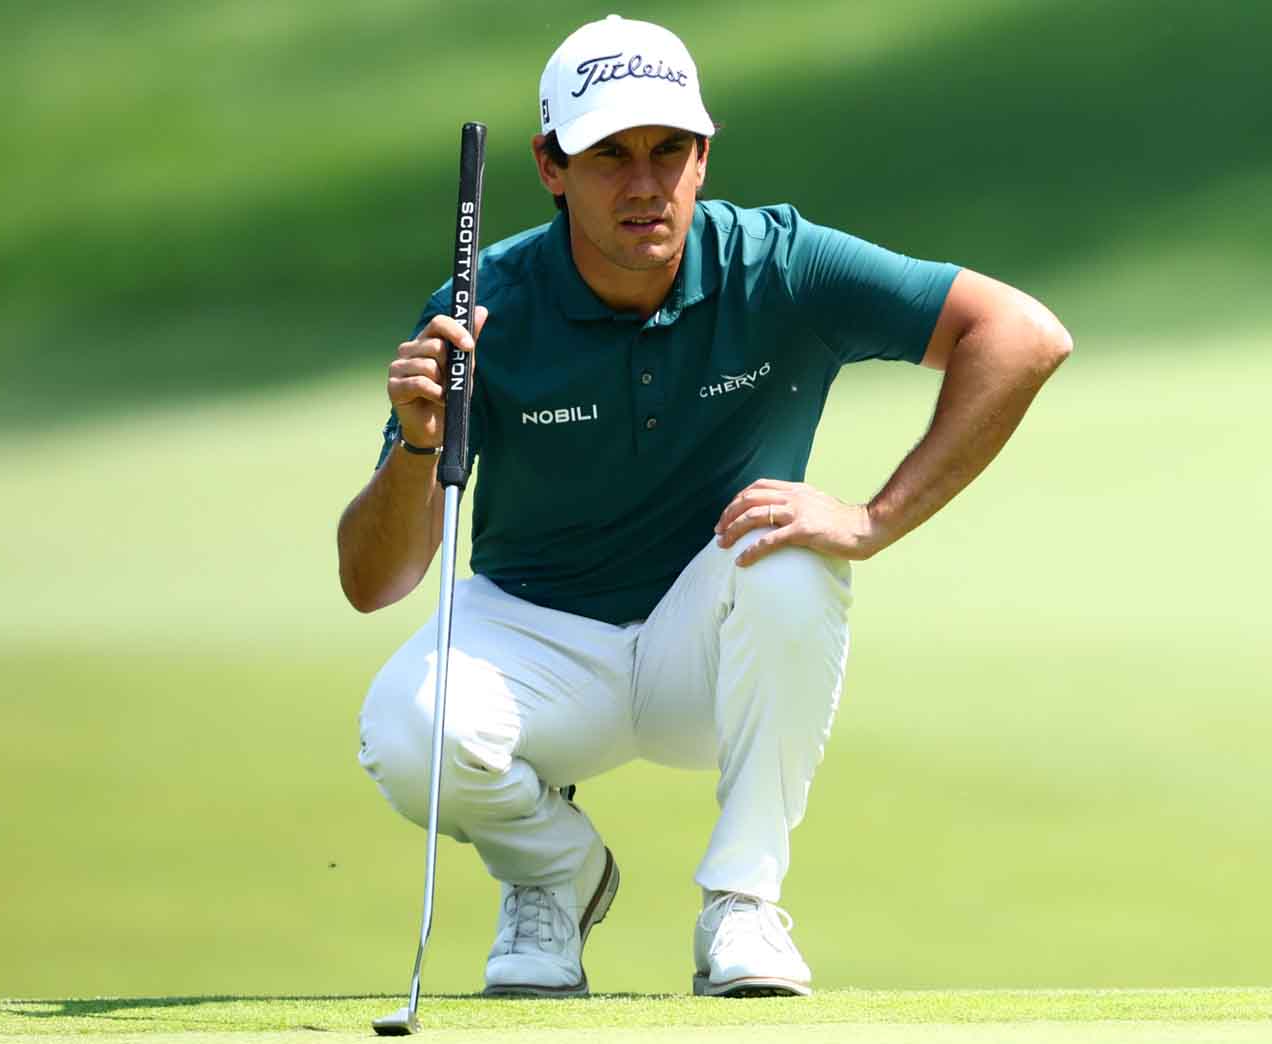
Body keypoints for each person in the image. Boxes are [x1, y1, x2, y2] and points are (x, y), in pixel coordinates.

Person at [336, 14, 1071, 999]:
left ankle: (742, 901)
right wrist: (421, 440)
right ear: (549, 166)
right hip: (540, 651)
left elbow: (1022, 334)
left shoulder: (777, 264)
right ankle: (553, 871)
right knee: (402, 730)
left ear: (702, 155)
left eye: (667, 149)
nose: (644, 182)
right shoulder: (484, 304)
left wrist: (874, 518)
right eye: (608, 155)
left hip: (708, 656)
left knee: (795, 549)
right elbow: (375, 582)